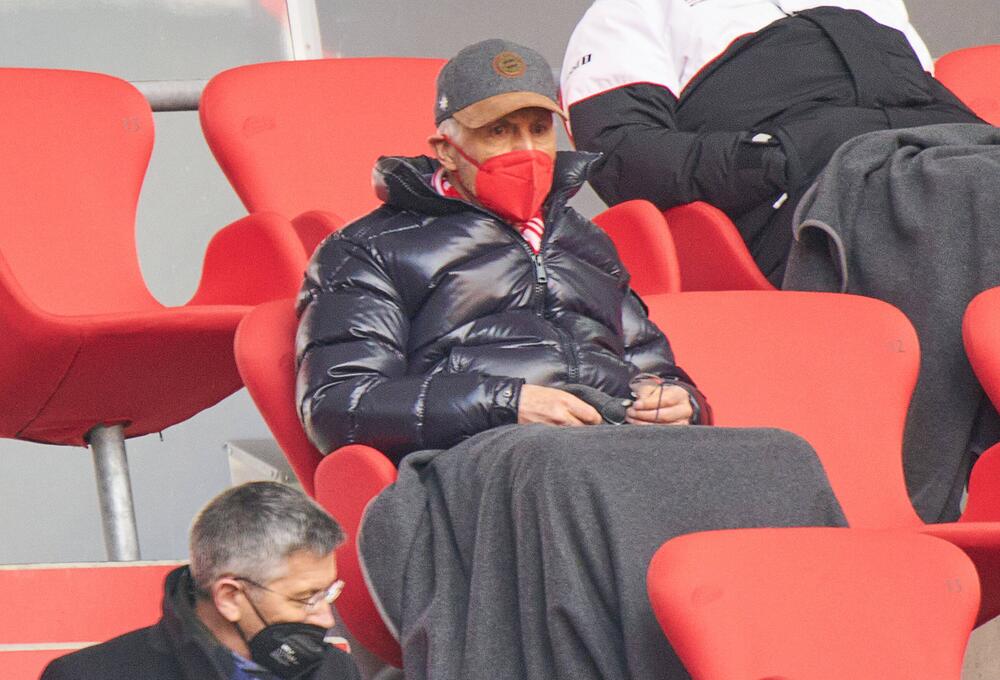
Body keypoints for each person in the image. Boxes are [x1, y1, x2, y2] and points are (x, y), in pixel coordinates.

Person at [297, 39, 845, 679]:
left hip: (602, 446)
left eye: (536, 128)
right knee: (561, 463)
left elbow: (654, 363)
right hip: (476, 462)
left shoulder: (587, 240)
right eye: (498, 132)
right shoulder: (364, 248)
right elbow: (339, 403)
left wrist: (678, 400)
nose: (525, 150)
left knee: (782, 454)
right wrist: (507, 403)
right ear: (445, 147)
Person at [560, 0, 984, 285]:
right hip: (800, 202)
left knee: (972, 181)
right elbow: (623, 154)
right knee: (951, 197)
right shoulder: (632, 10)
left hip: (936, 161)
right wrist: (776, 159)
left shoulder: (878, 5)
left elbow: (930, 104)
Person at [41, 482, 361, 680]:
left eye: (328, 593)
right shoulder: (88, 675)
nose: (326, 618)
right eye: (305, 597)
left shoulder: (336, 670)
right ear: (230, 597)